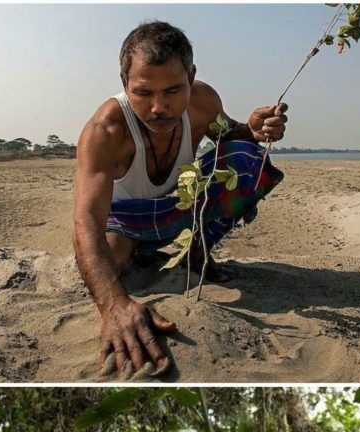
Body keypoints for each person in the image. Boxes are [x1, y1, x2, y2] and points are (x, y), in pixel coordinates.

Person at [73, 21, 288, 378]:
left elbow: (228, 134)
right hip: (124, 220)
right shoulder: (105, 130)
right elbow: (86, 221)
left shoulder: (204, 101)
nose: (159, 107)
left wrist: (251, 130)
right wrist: (113, 306)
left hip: (180, 207)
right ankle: (141, 253)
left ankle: (196, 252)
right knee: (111, 264)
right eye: (143, 93)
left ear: (191, 76)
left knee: (249, 157)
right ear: (125, 82)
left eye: (173, 90)